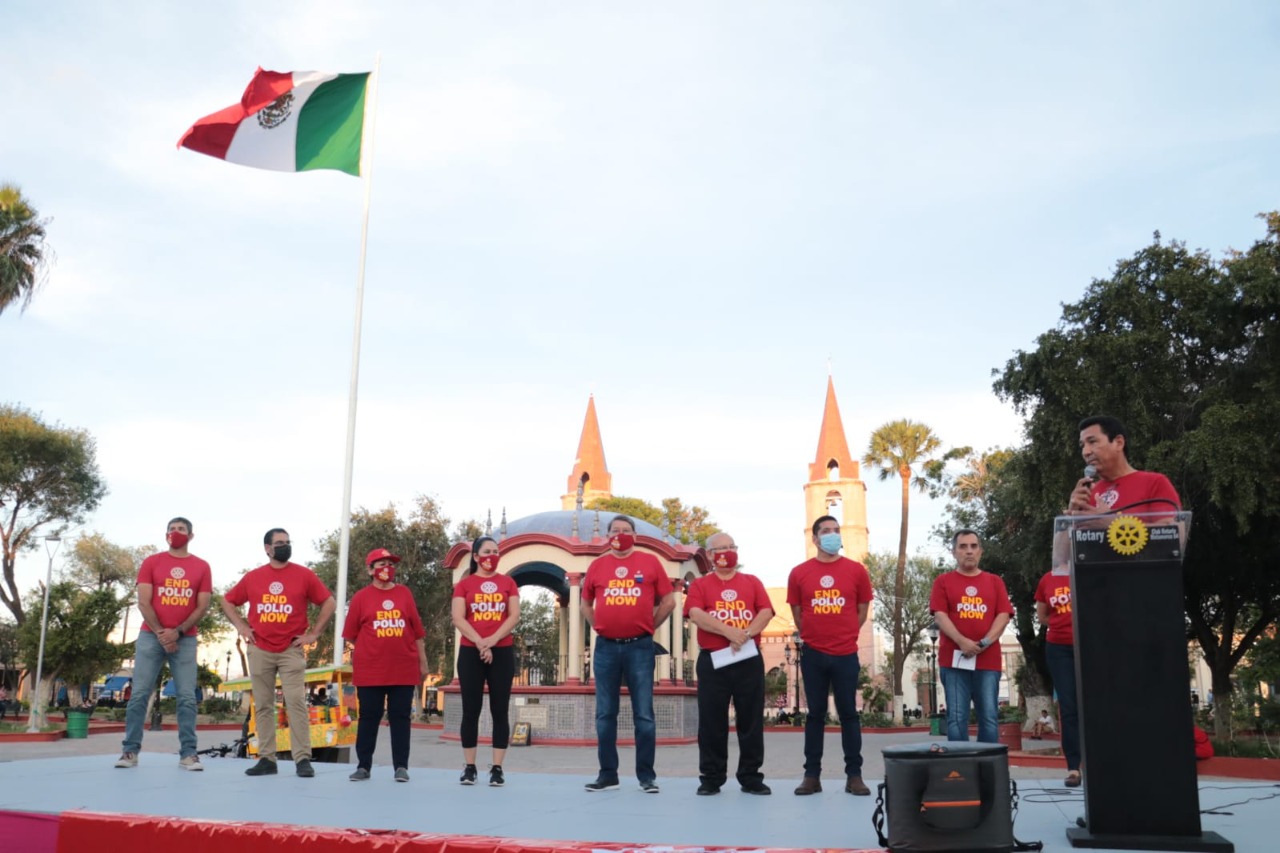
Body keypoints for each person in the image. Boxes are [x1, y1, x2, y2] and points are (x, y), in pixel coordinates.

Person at [222, 527, 335, 778]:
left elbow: (329, 601)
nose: (285, 546)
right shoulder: (253, 577)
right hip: (259, 648)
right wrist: (241, 626)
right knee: (263, 705)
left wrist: (314, 634)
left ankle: (302, 759)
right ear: (268, 548)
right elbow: (227, 601)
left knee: (296, 703)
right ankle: (267, 759)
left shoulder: (304, 575)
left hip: (290, 650)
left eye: (287, 542)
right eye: (280, 543)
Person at [582, 515, 675, 793]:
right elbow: (585, 604)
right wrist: (599, 626)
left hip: (639, 647)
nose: (620, 534)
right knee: (605, 713)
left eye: (625, 530)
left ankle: (646, 777)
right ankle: (607, 775)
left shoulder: (650, 562)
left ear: (634, 536)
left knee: (643, 714)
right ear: (607, 535)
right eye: (615, 530)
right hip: (606, 648)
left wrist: (649, 627)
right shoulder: (597, 566)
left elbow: (669, 601)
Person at [786, 515, 875, 796]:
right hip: (813, 653)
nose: (832, 534)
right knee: (815, 715)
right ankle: (811, 776)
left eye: (836, 530)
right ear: (815, 539)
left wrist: (846, 633)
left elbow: (862, 609)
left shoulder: (856, 571)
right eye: (826, 531)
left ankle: (854, 776)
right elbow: (798, 613)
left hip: (846, 653)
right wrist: (815, 635)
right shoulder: (799, 573)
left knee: (849, 714)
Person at [115, 517, 212, 770]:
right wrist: (161, 633)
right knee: (139, 694)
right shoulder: (152, 562)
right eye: (171, 529)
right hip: (151, 637)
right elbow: (143, 602)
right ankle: (130, 751)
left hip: (185, 639)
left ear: (191, 535)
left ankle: (188, 754)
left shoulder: (202, 566)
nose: (175, 532)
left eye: (181, 529)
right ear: (165, 534)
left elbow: (202, 606)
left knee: (187, 698)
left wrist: (177, 632)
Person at [684, 531, 774, 796]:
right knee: (711, 721)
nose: (727, 552)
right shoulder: (701, 585)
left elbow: (765, 612)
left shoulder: (752, 581)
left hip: (748, 658)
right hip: (713, 660)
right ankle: (711, 777)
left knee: (751, 719)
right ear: (711, 555)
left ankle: (751, 776)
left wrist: (744, 635)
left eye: (731, 547)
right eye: (720, 549)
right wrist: (729, 632)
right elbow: (695, 613)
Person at [343, 547, 428, 783]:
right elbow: (351, 634)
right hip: (371, 670)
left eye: (390, 564)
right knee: (369, 717)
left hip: (403, 668)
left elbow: (417, 632)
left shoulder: (404, 593)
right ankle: (363, 766)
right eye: (381, 564)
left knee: (401, 717)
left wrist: (423, 662)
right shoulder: (361, 598)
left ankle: (401, 767)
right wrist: (372, 647)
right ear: (370, 570)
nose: (387, 568)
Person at [930, 529, 1013, 745]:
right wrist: (962, 642)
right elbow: (940, 616)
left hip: (988, 662)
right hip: (954, 662)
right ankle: (960, 765)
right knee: (957, 719)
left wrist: (983, 643)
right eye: (963, 546)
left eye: (974, 546)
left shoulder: (995, 582)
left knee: (989, 718)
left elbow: (1003, 616)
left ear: (980, 552)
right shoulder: (943, 581)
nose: (969, 551)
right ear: (953, 552)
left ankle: (988, 765)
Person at [451, 536, 520, 787]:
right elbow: (458, 618)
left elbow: (514, 616)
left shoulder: (508, 583)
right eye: (487, 551)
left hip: (502, 651)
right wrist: (481, 642)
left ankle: (497, 768)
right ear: (476, 556)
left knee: (499, 710)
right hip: (471, 652)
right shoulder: (464, 584)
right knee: (471, 710)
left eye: (496, 551)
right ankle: (470, 767)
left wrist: (492, 640)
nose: (492, 556)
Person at [1067, 415, 1181, 518]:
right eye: (1082, 446)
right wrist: (1070, 517)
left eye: (1092, 442)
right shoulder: (1086, 495)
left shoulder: (1155, 483)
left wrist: (1113, 523)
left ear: (1119, 443)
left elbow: (1172, 531)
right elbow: (1065, 537)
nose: (1085, 452)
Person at [1035, 566, 1078, 785]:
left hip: (1090, 644)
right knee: (1068, 707)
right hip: (1059, 649)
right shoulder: (1048, 579)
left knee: (1095, 704)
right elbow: (1042, 616)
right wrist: (1063, 623)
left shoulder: (1086, 572)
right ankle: (1074, 767)